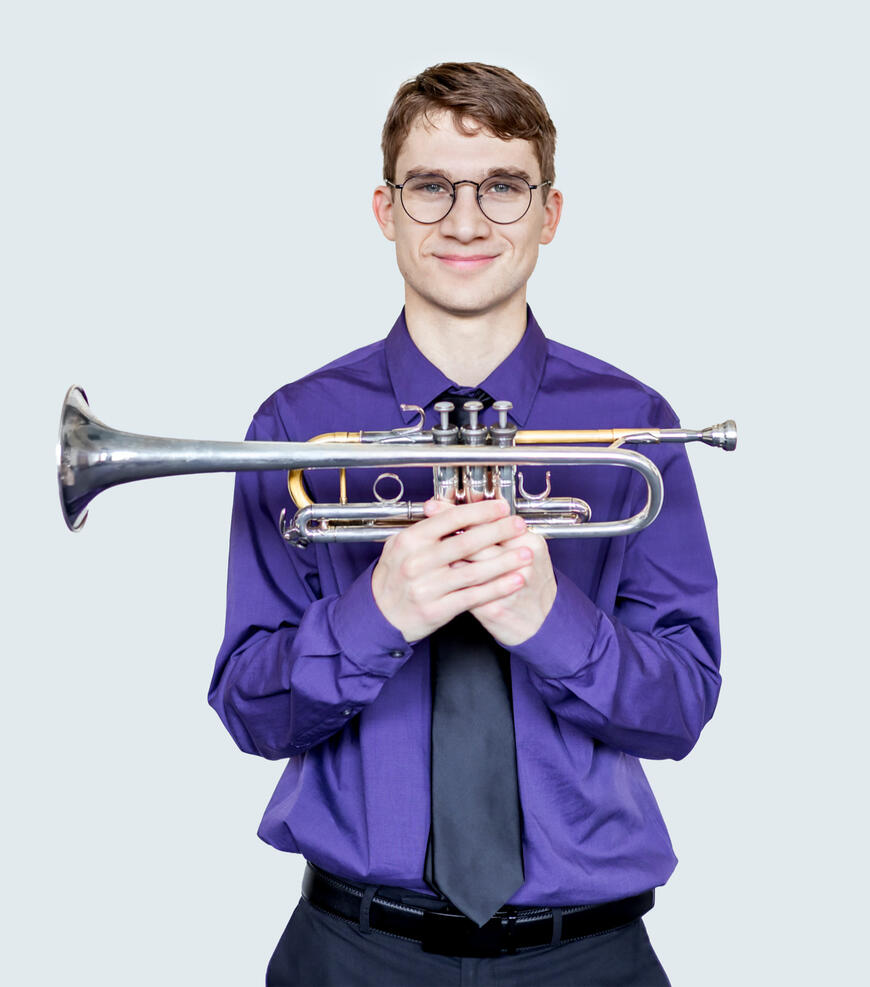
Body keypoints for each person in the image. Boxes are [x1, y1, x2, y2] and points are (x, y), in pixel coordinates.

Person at [209, 61, 721, 986]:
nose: (466, 221)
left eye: (503, 187)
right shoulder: (296, 426)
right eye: (432, 186)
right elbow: (250, 708)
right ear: (386, 209)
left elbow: (683, 707)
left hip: (589, 957)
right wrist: (378, 613)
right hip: (351, 951)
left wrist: (554, 623)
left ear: (549, 214)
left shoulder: (636, 424)